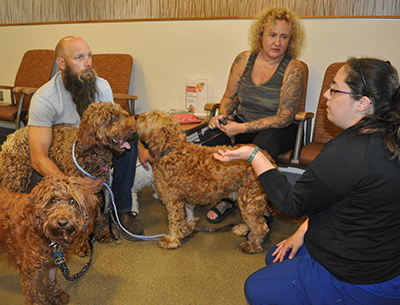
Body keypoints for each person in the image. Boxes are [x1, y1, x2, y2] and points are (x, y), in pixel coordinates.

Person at [213, 57, 400, 304]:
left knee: (255, 288)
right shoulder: (386, 136)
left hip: (356, 279)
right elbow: (336, 198)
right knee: (275, 257)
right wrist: (303, 230)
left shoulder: (348, 151)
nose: (325, 94)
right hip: (383, 261)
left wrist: (254, 154)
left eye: (334, 89)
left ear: (363, 103)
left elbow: (291, 205)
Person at [28, 35, 148, 239]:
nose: (88, 63)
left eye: (89, 56)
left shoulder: (102, 87)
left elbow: (116, 128)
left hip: (96, 148)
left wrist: (141, 147)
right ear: (61, 63)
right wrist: (76, 184)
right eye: (79, 57)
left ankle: (122, 210)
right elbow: (38, 157)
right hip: (65, 158)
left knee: (130, 141)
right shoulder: (44, 99)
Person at [203, 6, 306, 224]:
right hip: (244, 121)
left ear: (291, 40)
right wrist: (223, 117)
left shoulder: (294, 68)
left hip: (280, 129)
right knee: (212, 140)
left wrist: (240, 128)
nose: (277, 42)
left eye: (284, 37)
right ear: (260, 35)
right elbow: (230, 97)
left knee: (261, 147)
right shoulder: (243, 60)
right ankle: (228, 197)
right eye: (272, 35)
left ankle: (260, 206)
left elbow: (283, 118)